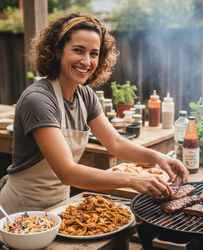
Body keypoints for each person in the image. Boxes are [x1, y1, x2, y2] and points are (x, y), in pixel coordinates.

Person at [0, 13, 188, 214]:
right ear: (57, 51)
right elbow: (67, 172)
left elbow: (115, 144)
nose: (86, 61)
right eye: (78, 50)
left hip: (57, 209)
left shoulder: (85, 95)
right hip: (19, 213)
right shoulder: (38, 100)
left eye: (94, 54)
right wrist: (132, 180)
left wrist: (159, 158)